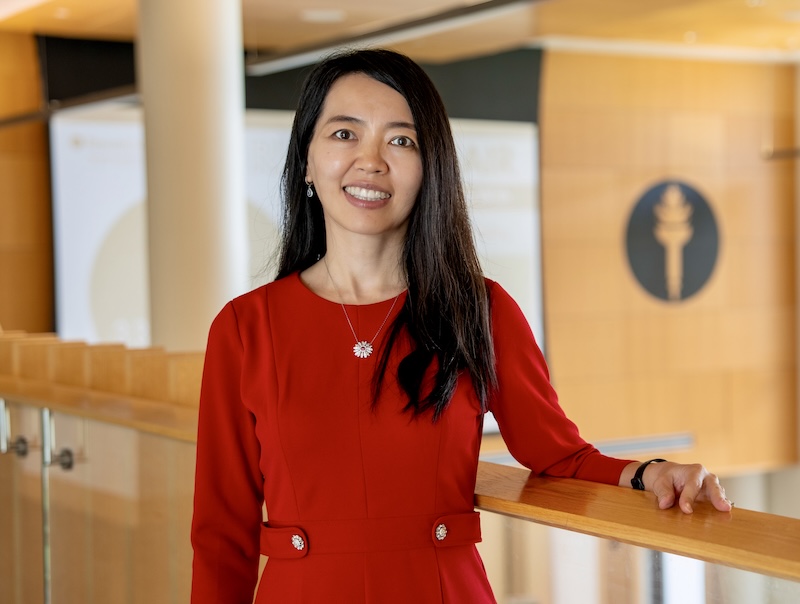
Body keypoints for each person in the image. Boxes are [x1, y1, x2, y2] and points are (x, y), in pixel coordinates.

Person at [190, 48, 731, 604]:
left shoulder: (481, 311)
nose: (371, 161)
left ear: (431, 169)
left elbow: (559, 455)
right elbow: (221, 534)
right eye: (345, 134)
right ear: (305, 160)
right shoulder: (244, 328)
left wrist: (650, 474)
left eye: (401, 141)